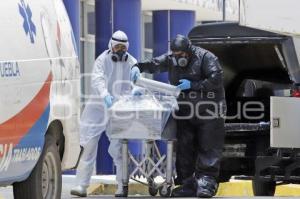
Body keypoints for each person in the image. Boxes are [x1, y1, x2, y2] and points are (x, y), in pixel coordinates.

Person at [131, 34, 226, 198]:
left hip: (209, 110)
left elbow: (216, 78)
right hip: (186, 110)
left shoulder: (205, 57)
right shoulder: (172, 59)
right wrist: (138, 67)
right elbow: (155, 64)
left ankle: (206, 184)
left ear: (189, 51)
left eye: (181, 55)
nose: (178, 58)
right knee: (184, 148)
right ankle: (186, 183)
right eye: (175, 55)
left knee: (208, 146)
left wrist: (194, 85)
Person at [71, 30, 137, 197]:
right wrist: (105, 95)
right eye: (117, 47)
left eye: (123, 47)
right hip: (98, 108)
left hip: (119, 110)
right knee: (88, 147)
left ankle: (122, 186)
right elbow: (97, 79)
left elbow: (137, 83)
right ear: (111, 46)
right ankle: (81, 186)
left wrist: (136, 90)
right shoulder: (102, 59)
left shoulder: (132, 63)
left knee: (119, 149)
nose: (120, 50)